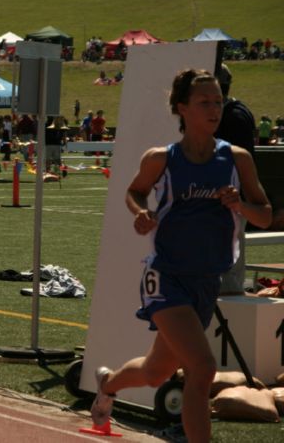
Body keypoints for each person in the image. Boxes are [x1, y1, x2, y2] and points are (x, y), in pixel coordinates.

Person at [90, 69, 271, 443]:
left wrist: (240, 205)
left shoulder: (238, 160)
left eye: (219, 101)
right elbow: (135, 191)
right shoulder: (162, 159)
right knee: (202, 368)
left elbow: (265, 214)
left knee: (157, 371)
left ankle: (108, 383)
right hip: (167, 276)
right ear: (181, 108)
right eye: (205, 102)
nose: (215, 109)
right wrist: (140, 213)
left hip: (207, 280)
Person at [214, 63, 256, 295]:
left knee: (229, 262)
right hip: (217, 196)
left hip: (230, 199)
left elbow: (242, 163)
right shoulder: (229, 113)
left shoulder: (234, 116)